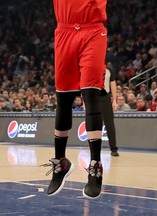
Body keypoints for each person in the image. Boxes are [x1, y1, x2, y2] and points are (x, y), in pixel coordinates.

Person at [43, 0, 108, 199]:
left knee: (91, 95)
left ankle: (95, 166)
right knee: (63, 98)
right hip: (64, 31)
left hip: (93, 31)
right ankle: (60, 162)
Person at [102, 67, 119, 156]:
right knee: (94, 124)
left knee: (109, 124)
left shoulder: (109, 70)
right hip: (93, 97)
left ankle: (113, 148)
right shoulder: (91, 67)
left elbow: (113, 85)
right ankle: (94, 148)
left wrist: (114, 100)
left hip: (105, 97)